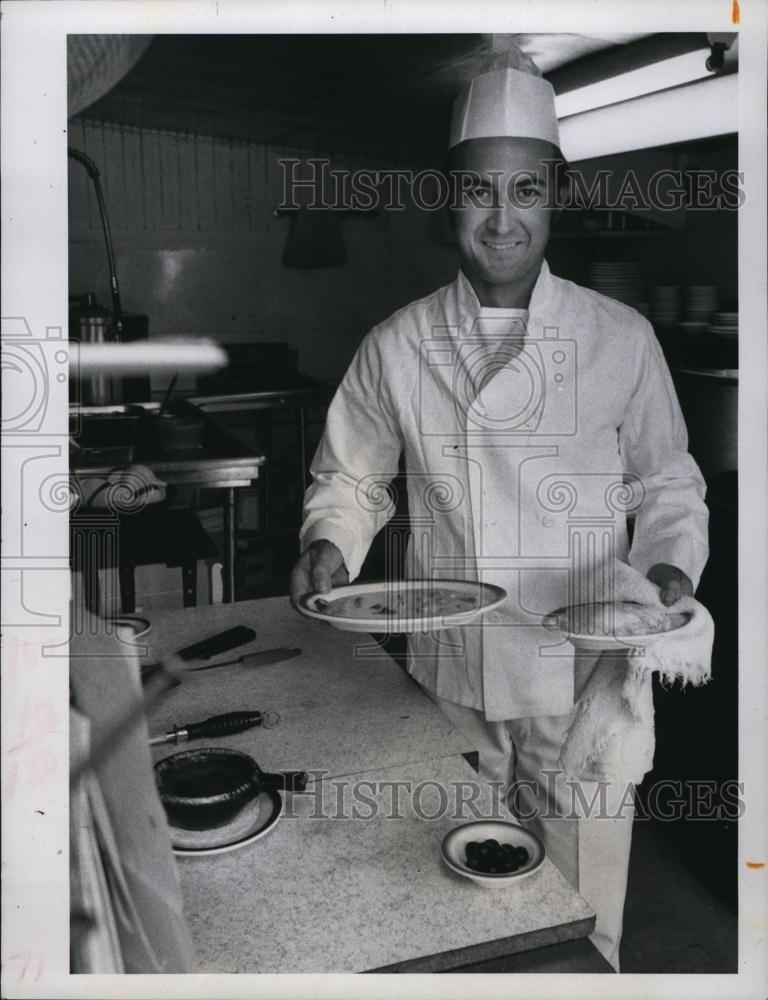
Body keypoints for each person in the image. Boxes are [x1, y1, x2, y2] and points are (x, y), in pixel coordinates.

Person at [290, 67, 709, 971]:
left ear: (555, 197)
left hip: (586, 668)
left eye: (526, 189)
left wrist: (672, 571)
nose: (502, 216)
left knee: (585, 919)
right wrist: (330, 541)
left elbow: (670, 482)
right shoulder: (398, 344)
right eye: (479, 190)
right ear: (450, 201)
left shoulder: (619, 337)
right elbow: (354, 476)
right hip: (448, 669)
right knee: (449, 905)